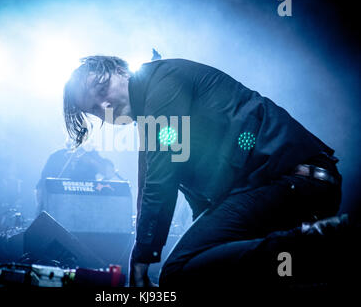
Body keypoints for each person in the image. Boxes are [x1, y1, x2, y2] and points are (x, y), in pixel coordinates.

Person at [62, 56, 344, 287]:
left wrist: (142, 257)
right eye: (96, 111)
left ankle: (321, 239)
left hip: (296, 179)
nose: (106, 107)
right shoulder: (149, 120)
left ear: (120, 70)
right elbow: (192, 193)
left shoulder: (162, 81)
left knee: (178, 272)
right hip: (282, 186)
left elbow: (161, 181)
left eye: (102, 91)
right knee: (203, 269)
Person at [35, 142, 116, 214]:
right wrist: (41, 209)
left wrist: (91, 160)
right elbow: (41, 186)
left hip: (87, 209)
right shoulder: (57, 156)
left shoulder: (92, 155)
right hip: (60, 209)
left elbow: (109, 172)